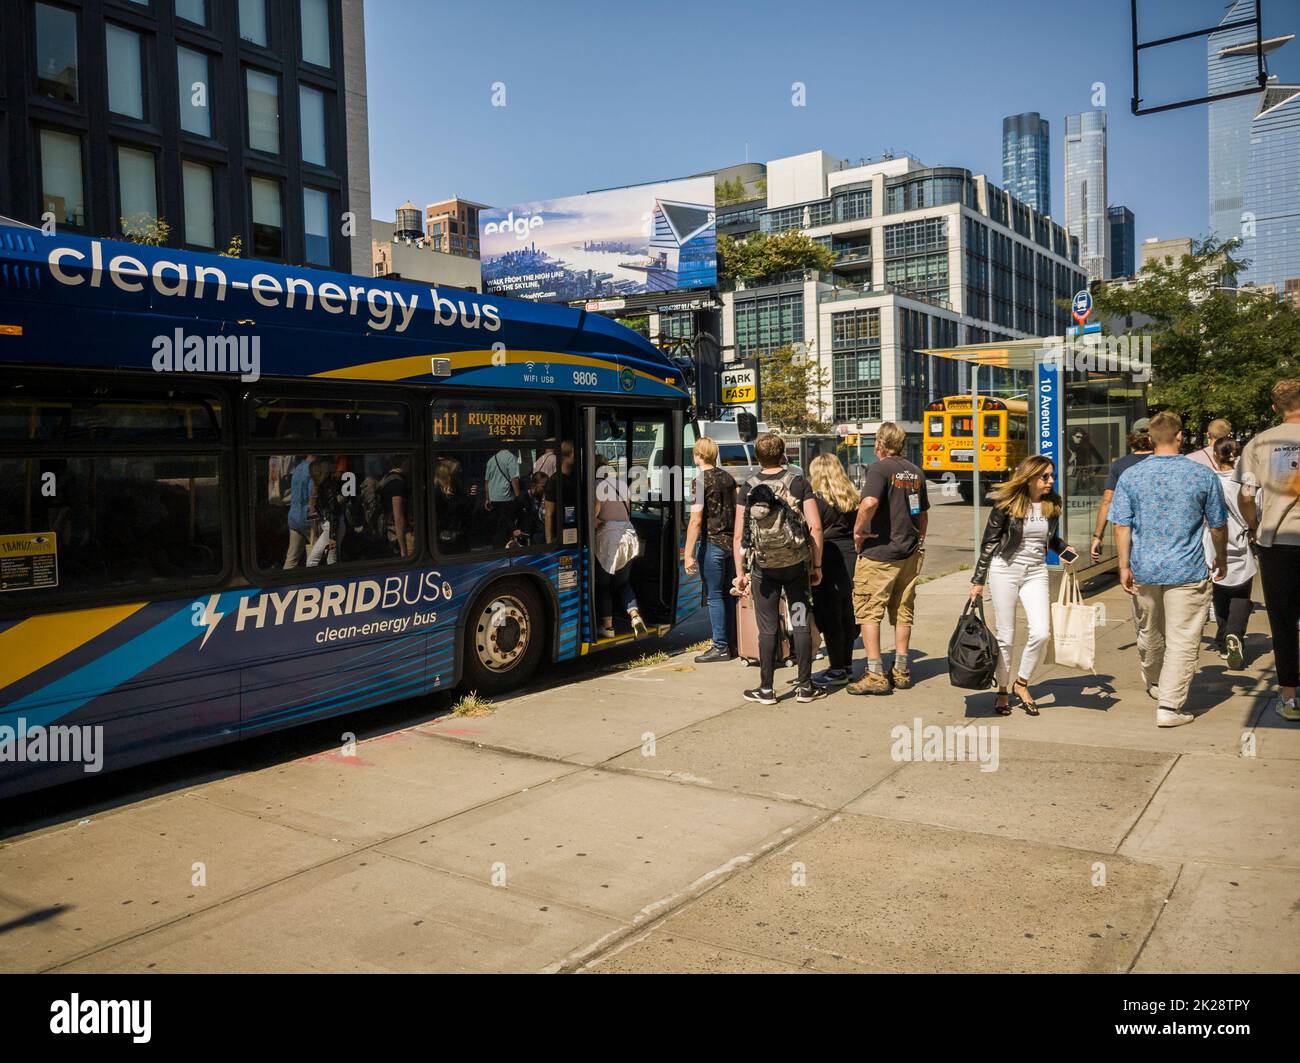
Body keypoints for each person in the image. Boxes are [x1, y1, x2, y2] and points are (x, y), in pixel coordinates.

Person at [1111, 411, 1228, 728]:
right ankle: (1169, 706)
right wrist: (1220, 557)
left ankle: (1154, 682)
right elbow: (1218, 525)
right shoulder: (1201, 475)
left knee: (1149, 632)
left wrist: (1123, 565)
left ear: (1149, 439)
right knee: (1182, 639)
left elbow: (1121, 525)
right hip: (1187, 569)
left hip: (1144, 568)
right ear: (1180, 437)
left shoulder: (1131, 477)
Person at [969, 456, 1072, 715]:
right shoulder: (1007, 504)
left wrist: (1062, 548)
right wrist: (978, 580)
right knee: (1006, 634)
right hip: (1005, 570)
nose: (1050, 481)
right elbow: (990, 542)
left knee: (1041, 632)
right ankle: (1002, 689)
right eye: (1045, 476)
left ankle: (1021, 683)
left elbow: (1046, 537)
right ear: (1029, 478)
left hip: (1036, 571)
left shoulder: (1053, 504)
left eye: (1052, 476)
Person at [733, 432, 826, 705]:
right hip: (796, 566)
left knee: (768, 627)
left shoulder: (748, 487)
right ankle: (806, 687)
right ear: (783, 453)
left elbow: (738, 536)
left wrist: (740, 573)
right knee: (800, 621)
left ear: (758, 456)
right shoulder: (797, 482)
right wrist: (816, 564)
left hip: (763, 569)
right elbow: (816, 527)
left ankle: (766, 689)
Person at [1235, 378, 1300, 721]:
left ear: (1275, 408)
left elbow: (1246, 495)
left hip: (1277, 540)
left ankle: (1290, 695)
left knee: (1283, 618)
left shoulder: (1260, 443)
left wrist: (1254, 525)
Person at [847, 422, 928, 696]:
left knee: (870, 610)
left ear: (879, 444)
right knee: (903, 609)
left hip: (880, 554)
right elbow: (922, 512)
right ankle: (902, 669)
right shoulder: (915, 472)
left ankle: (875, 673)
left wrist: (859, 531)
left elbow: (869, 503)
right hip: (909, 552)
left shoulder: (879, 469)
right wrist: (919, 540)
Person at [806, 453, 859, 688]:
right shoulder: (852, 498)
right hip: (851, 557)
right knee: (847, 614)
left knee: (829, 616)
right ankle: (846, 664)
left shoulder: (816, 502)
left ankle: (837, 667)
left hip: (827, 557)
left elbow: (812, 529)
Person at [683, 437, 737, 662]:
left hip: (713, 543)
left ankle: (720, 645)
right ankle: (734, 643)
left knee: (714, 596)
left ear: (698, 455)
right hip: (731, 544)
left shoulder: (699, 481)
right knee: (729, 595)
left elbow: (696, 520)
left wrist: (688, 553)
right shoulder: (728, 478)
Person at [1204, 437, 1255, 669]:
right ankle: (1234, 634)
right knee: (1241, 594)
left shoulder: (1209, 480)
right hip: (1241, 540)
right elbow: (1256, 505)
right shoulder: (1247, 480)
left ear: (1215, 455)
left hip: (1214, 542)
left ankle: (1224, 641)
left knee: (1220, 592)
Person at [594, 456, 647, 639]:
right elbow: (628, 511)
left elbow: (595, 515)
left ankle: (607, 627)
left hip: (608, 540)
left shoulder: (595, 485)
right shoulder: (621, 485)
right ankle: (634, 616)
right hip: (629, 537)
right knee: (623, 582)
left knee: (603, 585)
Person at [1091, 419, 1152, 561]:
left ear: (1132, 437)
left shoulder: (1120, 465)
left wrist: (1097, 536)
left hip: (1130, 534)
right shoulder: (1163, 462)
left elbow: (1107, 501)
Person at [432, 456, 472, 554]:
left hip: (460, 533)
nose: (460, 472)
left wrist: (470, 497)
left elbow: (467, 510)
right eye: (457, 470)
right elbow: (450, 509)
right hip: (446, 535)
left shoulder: (457, 488)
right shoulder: (437, 491)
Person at [484, 444, 521, 548]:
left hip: (493, 499)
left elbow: (487, 481)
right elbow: (514, 479)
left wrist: (487, 499)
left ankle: (496, 549)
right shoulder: (511, 458)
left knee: (497, 528)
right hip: (507, 498)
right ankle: (506, 550)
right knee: (507, 527)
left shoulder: (491, 460)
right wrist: (518, 497)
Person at [283, 453, 316, 568]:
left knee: (291, 559)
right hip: (307, 518)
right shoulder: (313, 469)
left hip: (293, 517)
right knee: (315, 555)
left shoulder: (297, 468)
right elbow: (313, 496)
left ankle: (285, 583)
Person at [381, 456, 413, 559]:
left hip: (390, 532)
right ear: (404, 463)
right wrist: (403, 549)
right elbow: (398, 518)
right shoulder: (397, 483)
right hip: (398, 535)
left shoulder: (386, 479)